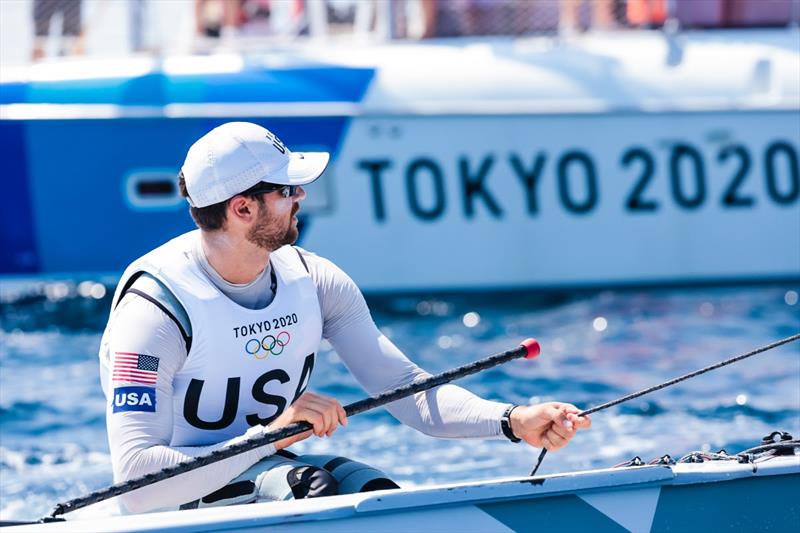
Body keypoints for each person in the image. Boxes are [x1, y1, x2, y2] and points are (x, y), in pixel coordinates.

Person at [98, 122, 591, 513]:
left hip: (265, 470)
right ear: (243, 208)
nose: (301, 197)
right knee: (314, 488)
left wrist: (510, 420)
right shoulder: (154, 311)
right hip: (174, 503)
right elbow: (137, 484)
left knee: (378, 496)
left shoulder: (314, 280)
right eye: (288, 189)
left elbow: (409, 390)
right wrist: (270, 435)